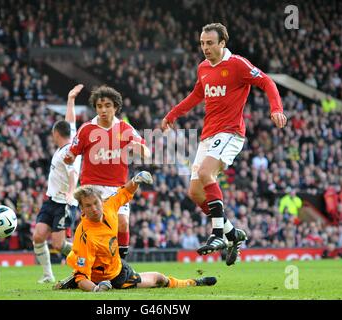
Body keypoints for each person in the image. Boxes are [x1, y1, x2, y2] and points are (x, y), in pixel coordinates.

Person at [161, 23, 287, 264]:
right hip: (208, 135)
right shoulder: (203, 68)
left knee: (207, 174)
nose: (205, 48)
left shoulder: (238, 64)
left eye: (210, 43)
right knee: (195, 192)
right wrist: (172, 115)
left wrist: (276, 109)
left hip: (231, 132)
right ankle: (232, 233)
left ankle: (217, 234)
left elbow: (267, 82)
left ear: (222, 43)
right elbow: (197, 95)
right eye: (202, 43)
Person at [53, 171, 217, 292]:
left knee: (79, 261)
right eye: (88, 206)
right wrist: (97, 289)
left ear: (101, 201)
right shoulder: (85, 235)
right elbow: (82, 277)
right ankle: (194, 282)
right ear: (81, 208)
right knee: (159, 279)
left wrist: (136, 179)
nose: (95, 209)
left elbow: (125, 192)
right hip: (112, 277)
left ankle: (72, 274)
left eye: (96, 203)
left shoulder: (109, 205)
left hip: (115, 264)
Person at [64, 85, 151, 259]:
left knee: (122, 224)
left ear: (116, 107)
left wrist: (140, 148)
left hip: (117, 187)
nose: (103, 110)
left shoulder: (125, 128)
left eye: (107, 106)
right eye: (99, 106)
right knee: (91, 228)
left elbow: (147, 152)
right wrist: (69, 158)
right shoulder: (86, 129)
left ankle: (121, 264)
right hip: (91, 187)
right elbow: (72, 154)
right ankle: (83, 264)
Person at [32, 84, 83, 283]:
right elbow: (70, 121)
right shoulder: (70, 142)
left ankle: (84, 258)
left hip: (64, 202)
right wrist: (70, 100)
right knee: (38, 236)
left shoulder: (69, 152)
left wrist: (71, 194)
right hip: (51, 200)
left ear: (55, 134)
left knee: (59, 244)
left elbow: (73, 173)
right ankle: (47, 275)